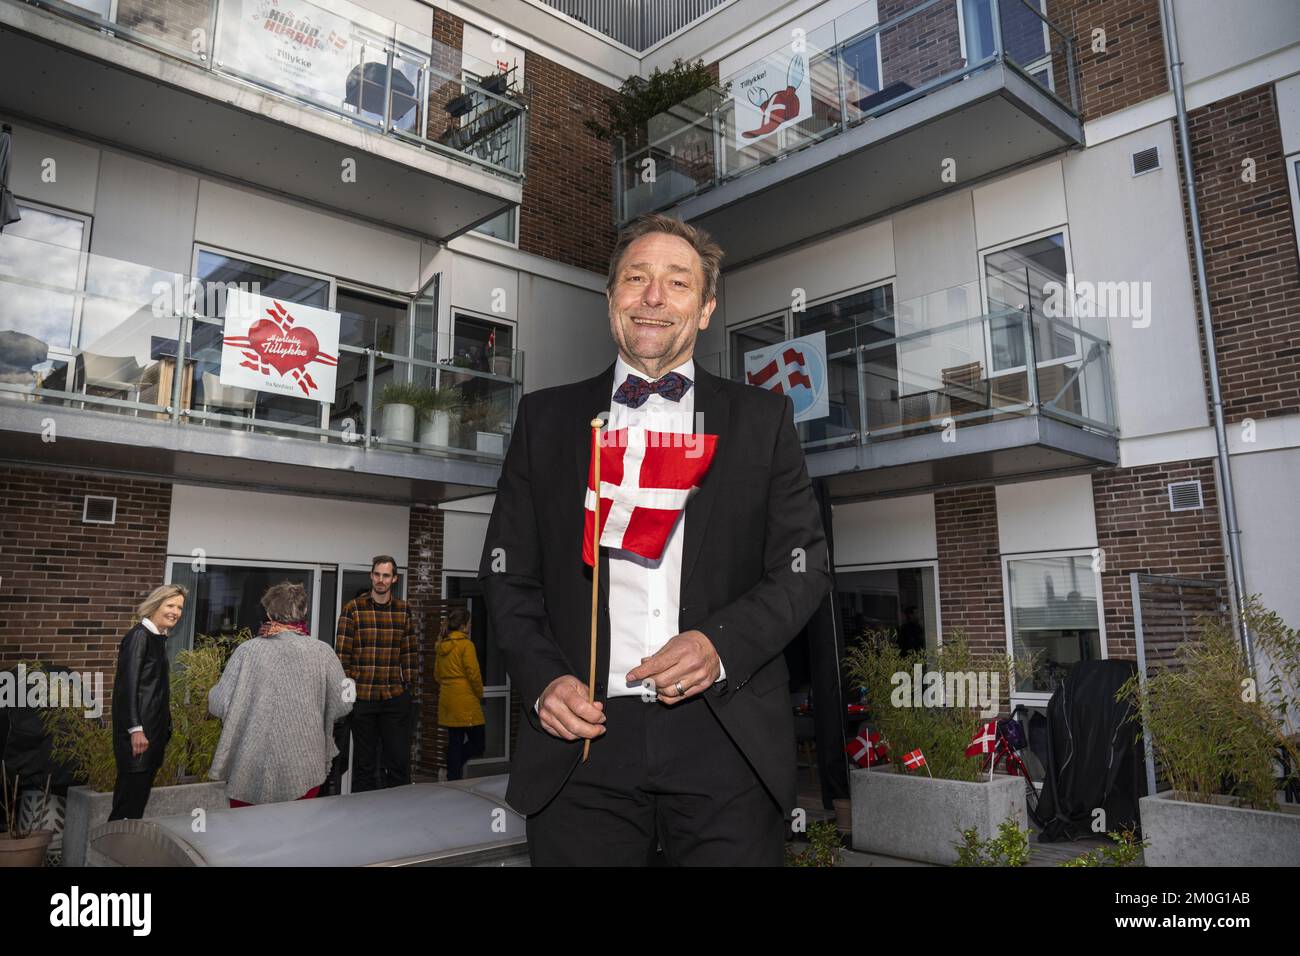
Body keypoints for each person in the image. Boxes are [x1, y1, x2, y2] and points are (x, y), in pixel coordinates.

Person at [479, 212, 830, 865]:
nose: (653, 297)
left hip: (725, 738)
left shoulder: (764, 420)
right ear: (611, 299)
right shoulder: (545, 421)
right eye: (636, 279)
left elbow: (803, 569)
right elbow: (507, 575)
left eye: (677, 283)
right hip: (581, 743)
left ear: (704, 311)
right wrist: (543, 680)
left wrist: (719, 645)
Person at [208, 581, 352, 807]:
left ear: (268, 612)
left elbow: (217, 704)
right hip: (304, 764)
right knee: (296, 832)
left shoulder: (248, 651)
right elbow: (344, 703)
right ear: (304, 612)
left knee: (247, 834)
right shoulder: (323, 652)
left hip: (250, 765)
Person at [335, 555, 417, 792]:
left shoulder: (404, 610)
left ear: (394, 579)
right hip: (363, 699)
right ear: (371, 576)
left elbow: (410, 652)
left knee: (398, 764)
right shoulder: (353, 609)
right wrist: (348, 698)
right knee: (364, 765)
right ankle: (363, 819)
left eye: (386, 575)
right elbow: (342, 656)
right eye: (377, 575)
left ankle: (397, 814)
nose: (381, 580)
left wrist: (409, 689)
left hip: (395, 697)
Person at [109, 584, 186, 821]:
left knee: (136, 803)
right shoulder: (139, 637)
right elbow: (126, 689)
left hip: (151, 734)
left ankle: (125, 849)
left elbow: (154, 691)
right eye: (170, 605)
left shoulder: (156, 638)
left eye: (180, 607)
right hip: (139, 739)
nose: (175, 611)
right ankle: (113, 852)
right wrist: (136, 729)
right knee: (127, 806)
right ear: (156, 605)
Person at [433, 608, 486, 781]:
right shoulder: (466, 645)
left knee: (455, 740)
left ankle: (452, 775)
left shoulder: (442, 645)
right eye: (469, 624)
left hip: (447, 699)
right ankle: (452, 769)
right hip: (466, 700)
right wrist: (479, 694)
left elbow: (437, 675)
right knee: (479, 743)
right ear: (463, 626)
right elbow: (474, 673)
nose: (470, 627)